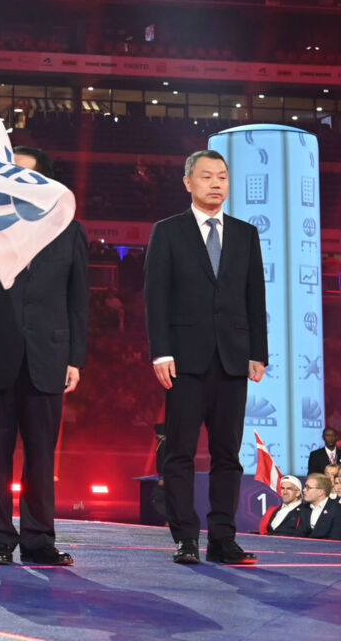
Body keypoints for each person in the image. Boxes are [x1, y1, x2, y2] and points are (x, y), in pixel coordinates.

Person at [0, 144, 88, 566]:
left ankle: (38, 540)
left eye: (28, 176)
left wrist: (75, 358)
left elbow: (78, 300)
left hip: (48, 357)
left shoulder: (69, 229)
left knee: (41, 456)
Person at [145, 149, 267, 565]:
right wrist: (160, 351)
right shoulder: (168, 231)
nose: (217, 183)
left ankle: (222, 538)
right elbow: (155, 296)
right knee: (179, 452)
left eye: (223, 177)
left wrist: (258, 352)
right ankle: (185, 537)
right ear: (188, 182)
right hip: (184, 359)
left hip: (233, 359)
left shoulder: (246, 234)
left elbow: (255, 298)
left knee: (228, 455)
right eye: (207, 176)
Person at [300, 473, 341, 539]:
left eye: (308, 488)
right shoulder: (303, 509)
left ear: (320, 492)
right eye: (305, 487)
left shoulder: (337, 510)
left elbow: (335, 540)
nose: (304, 490)